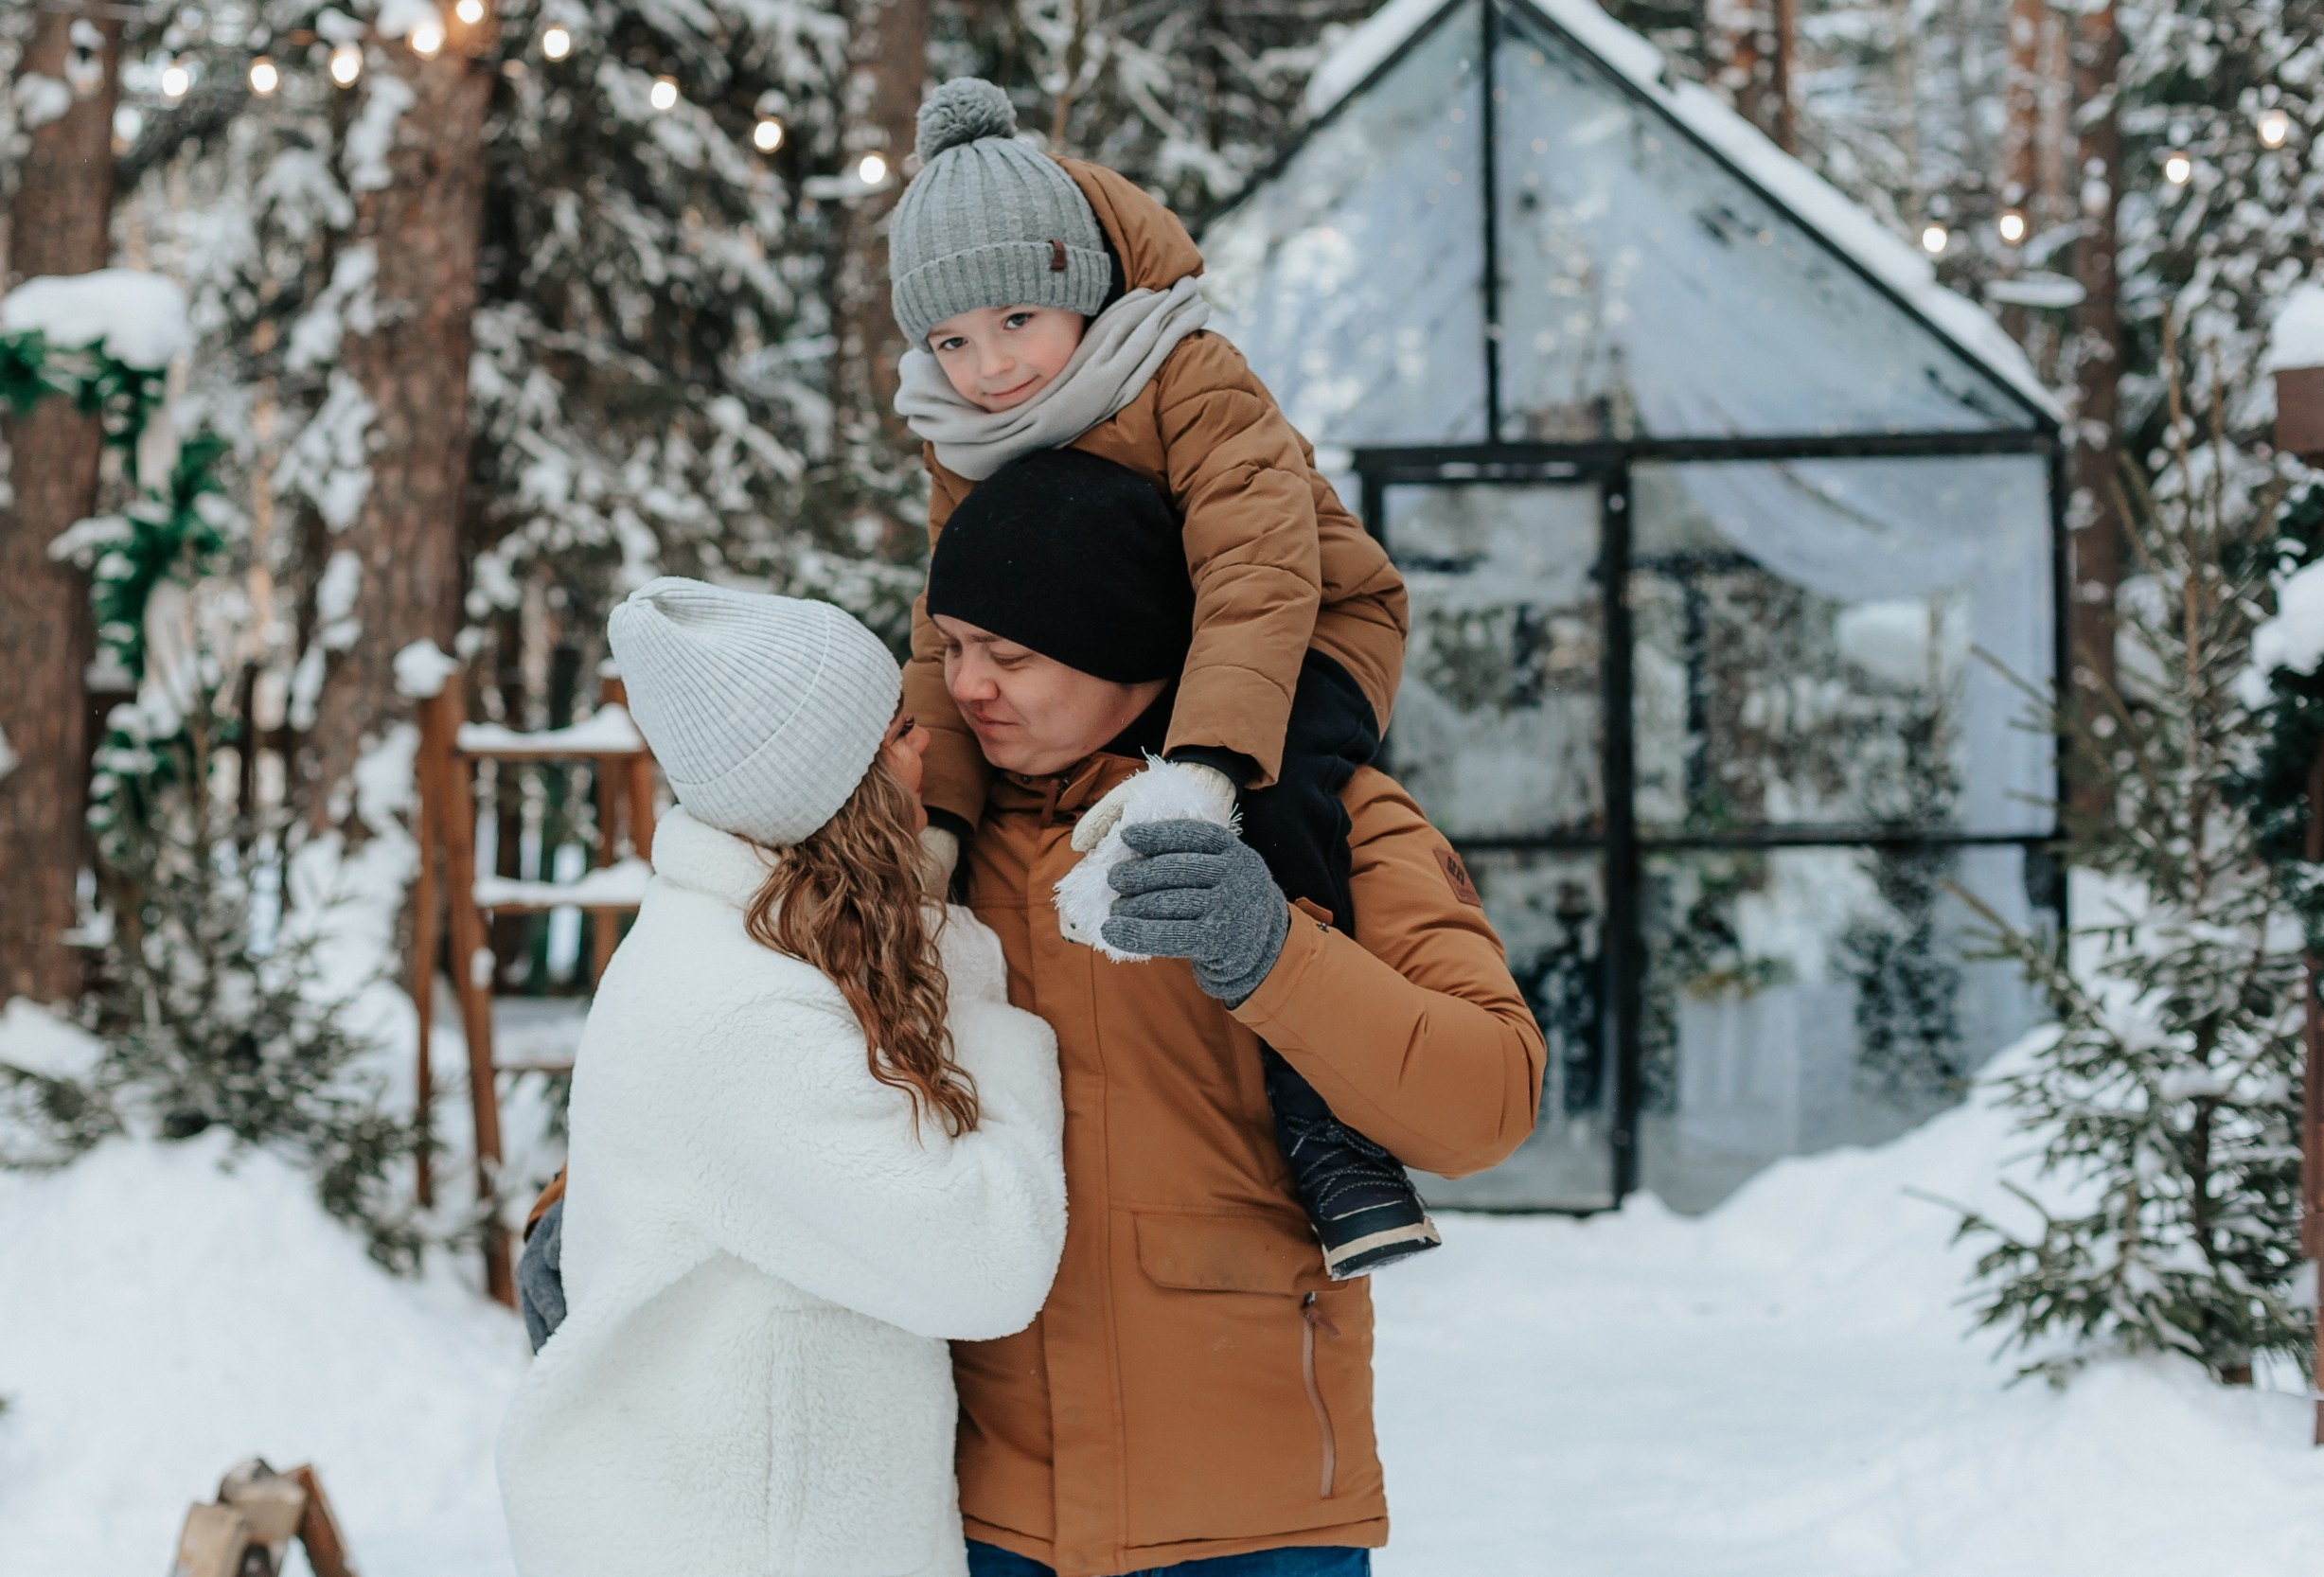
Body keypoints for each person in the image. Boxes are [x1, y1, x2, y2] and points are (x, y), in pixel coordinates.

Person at [922, 449, 1547, 1576]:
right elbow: (756, 1023)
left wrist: (1275, 953)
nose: (968, 685)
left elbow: (1488, 1102)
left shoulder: (1327, 815)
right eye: (953, 645)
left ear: (1124, 640)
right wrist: (597, 1203)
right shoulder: (927, 842)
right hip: (979, 1512)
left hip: (1255, 1516)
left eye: (1007, 653)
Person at [887, 78, 1431, 1278]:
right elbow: (949, 625)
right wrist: (931, 821)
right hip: (1149, 669)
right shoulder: (965, 441)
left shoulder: (1183, 373)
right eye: (951, 341)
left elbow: (1255, 569)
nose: (988, 369)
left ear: (1079, 286)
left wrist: (1204, 765)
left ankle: (1330, 1132)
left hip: (1304, 629)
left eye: (1015, 320)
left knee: (1275, 810)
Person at [497, 580, 1069, 1577]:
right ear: (835, 785)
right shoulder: (741, 1013)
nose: (926, 744)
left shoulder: (751, 946)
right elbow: (987, 1260)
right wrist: (973, 991)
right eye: (896, 731)